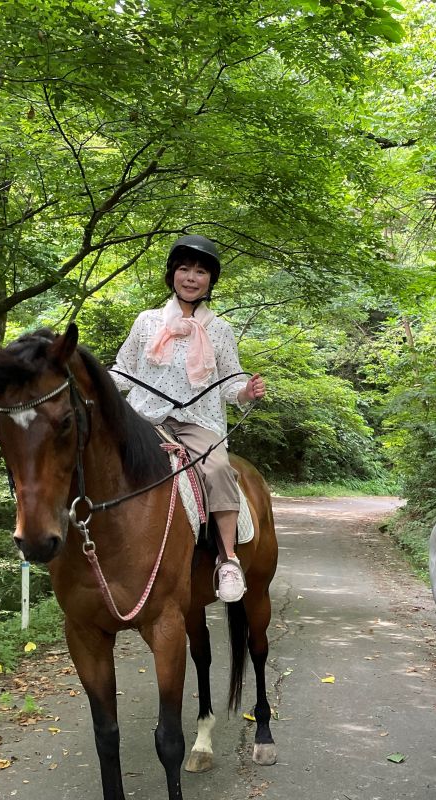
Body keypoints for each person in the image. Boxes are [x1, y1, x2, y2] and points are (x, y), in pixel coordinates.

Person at [111, 234, 266, 603]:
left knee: (216, 470)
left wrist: (246, 393)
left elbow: (232, 381)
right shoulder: (147, 322)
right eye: (184, 269)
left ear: (210, 280)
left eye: (200, 271)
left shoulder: (220, 330)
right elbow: (122, 370)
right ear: (172, 274)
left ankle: (228, 559)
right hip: (144, 419)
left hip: (199, 421)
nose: (191, 277)